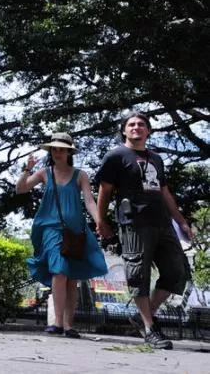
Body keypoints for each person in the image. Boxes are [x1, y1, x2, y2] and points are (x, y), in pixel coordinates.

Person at [95, 112, 192, 350]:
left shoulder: (156, 158)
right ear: (124, 131)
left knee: (177, 272)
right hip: (134, 222)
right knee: (139, 275)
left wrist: (181, 221)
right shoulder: (116, 155)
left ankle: (144, 315)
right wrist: (101, 220)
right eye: (131, 124)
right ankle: (150, 328)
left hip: (162, 222)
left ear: (148, 131)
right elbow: (104, 190)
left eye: (141, 124)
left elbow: (165, 192)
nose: (136, 127)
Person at [16, 132, 108, 338]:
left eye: (61, 149)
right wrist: (27, 169)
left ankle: (69, 324)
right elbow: (21, 189)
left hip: (75, 231)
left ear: (69, 152)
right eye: (54, 149)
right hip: (50, 228)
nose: (57, 152)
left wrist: (99, 221)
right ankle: (58, 323)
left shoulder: (80, 175)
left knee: (71, 276)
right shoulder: (44, 173)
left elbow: (89, 201)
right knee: (59, 271)